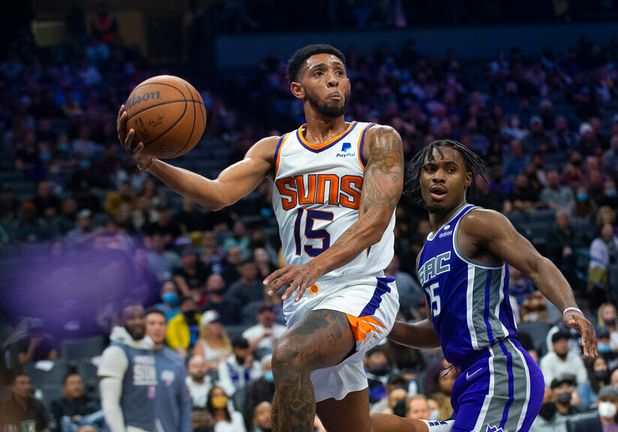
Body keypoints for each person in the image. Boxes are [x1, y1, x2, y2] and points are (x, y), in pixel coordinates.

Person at [118, 43, 404, 431]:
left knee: (287, 355)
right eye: (319, 72)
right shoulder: (276, 150)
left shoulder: (376, 139)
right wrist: (151, 164)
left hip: (360, 287)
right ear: (297, 89)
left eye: (339, 71)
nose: (333, 78)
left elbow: (375, 220)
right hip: (308, 303)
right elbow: (217, 194)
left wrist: (315, 265)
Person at [371, 140, 597, 432]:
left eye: (449, 169)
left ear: (466, 179)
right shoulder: (423, 253)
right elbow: (435, 332)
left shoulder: (477, 222)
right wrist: (379, 325)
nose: (438, 176)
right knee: (374, 426)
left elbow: (536, 264)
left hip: (499, 367)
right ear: (420, 178)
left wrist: (569, 307)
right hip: (467, 380)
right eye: (430, 169)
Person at [97, 304, 157, 432]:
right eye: (131, 318)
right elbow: (109, 403)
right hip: (130, 427)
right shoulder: (115, 352)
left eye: (141, 317)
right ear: (120, 321)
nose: (138, 322)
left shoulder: (149, 349)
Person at [146, 308, 192, 432]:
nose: (157, 328)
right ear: (144, 327)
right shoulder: (134, 358)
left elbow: (184, 402)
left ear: (166, 328)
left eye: (161, 324)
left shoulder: (176, 361)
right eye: (152, 323)